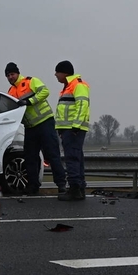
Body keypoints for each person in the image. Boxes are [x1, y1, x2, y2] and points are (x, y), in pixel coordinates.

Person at [5, 62, 67, 196]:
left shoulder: (30, 81)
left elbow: (45, 91)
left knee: (52, 154)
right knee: (30, 157)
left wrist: (30, 101)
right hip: (30, 127)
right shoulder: (10, 92)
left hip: (45, 122)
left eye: (12, 74)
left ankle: (61, 184)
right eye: (8, 75)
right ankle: (33, 186)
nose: (10, 77)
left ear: (17, 73)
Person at [54, 60, 90, 201]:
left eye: (57, 72)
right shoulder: (68, 86)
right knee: (76, 158)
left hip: (73, 129)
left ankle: (75, 189)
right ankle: (79, 188)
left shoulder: (77, 85)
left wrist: (75, 125)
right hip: (69, 129)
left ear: (64, 72)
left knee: (72, 159)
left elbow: (82, 105)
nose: (55, 74)